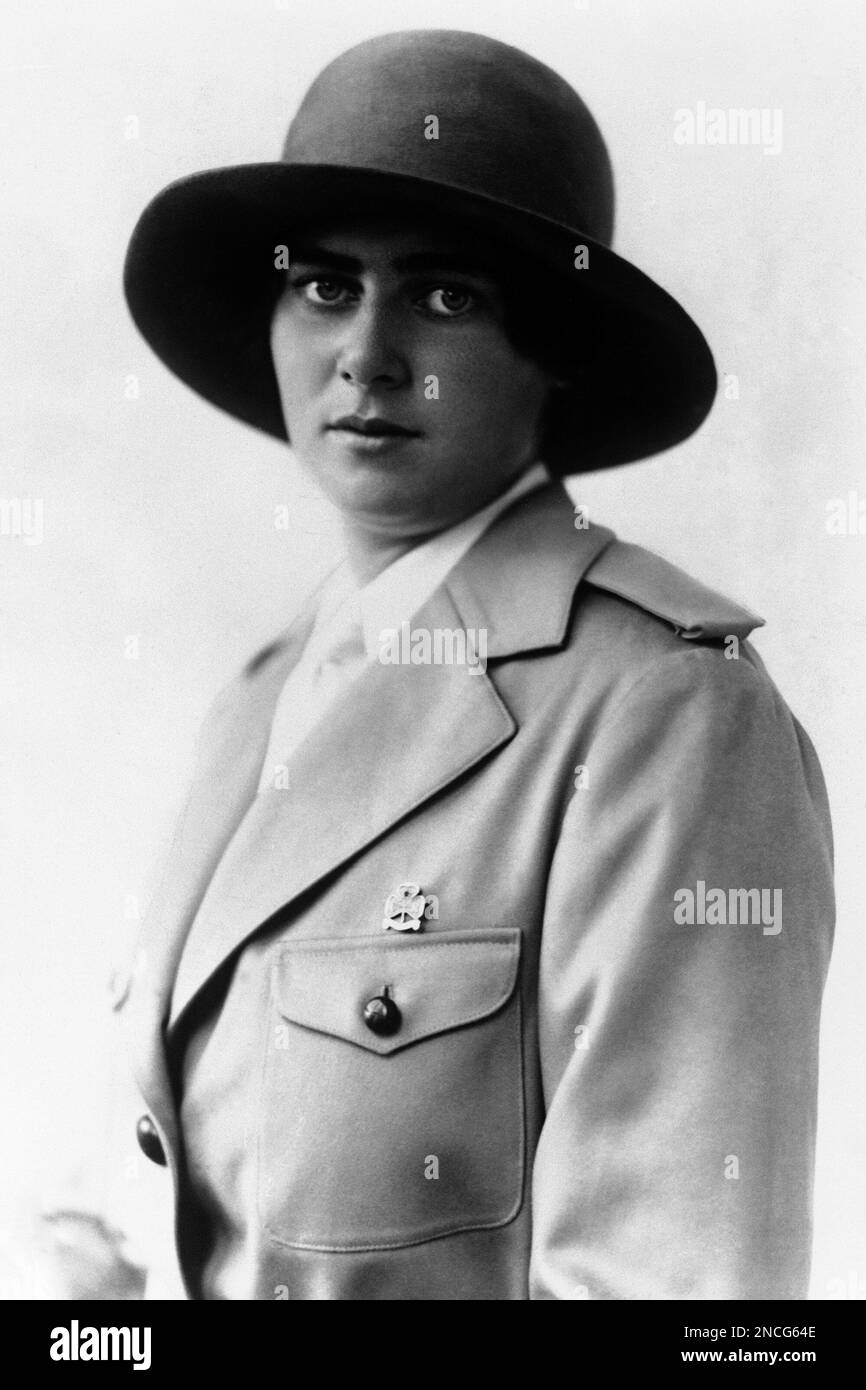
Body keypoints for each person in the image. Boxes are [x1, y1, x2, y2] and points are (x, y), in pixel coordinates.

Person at [117, 29, 834, 1300]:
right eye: (325, 287)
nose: (368, 353)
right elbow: (154, 1210)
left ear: (551, 347)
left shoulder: (665, 710)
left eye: (445, 296)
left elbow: (678, 1299)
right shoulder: (265, 693)